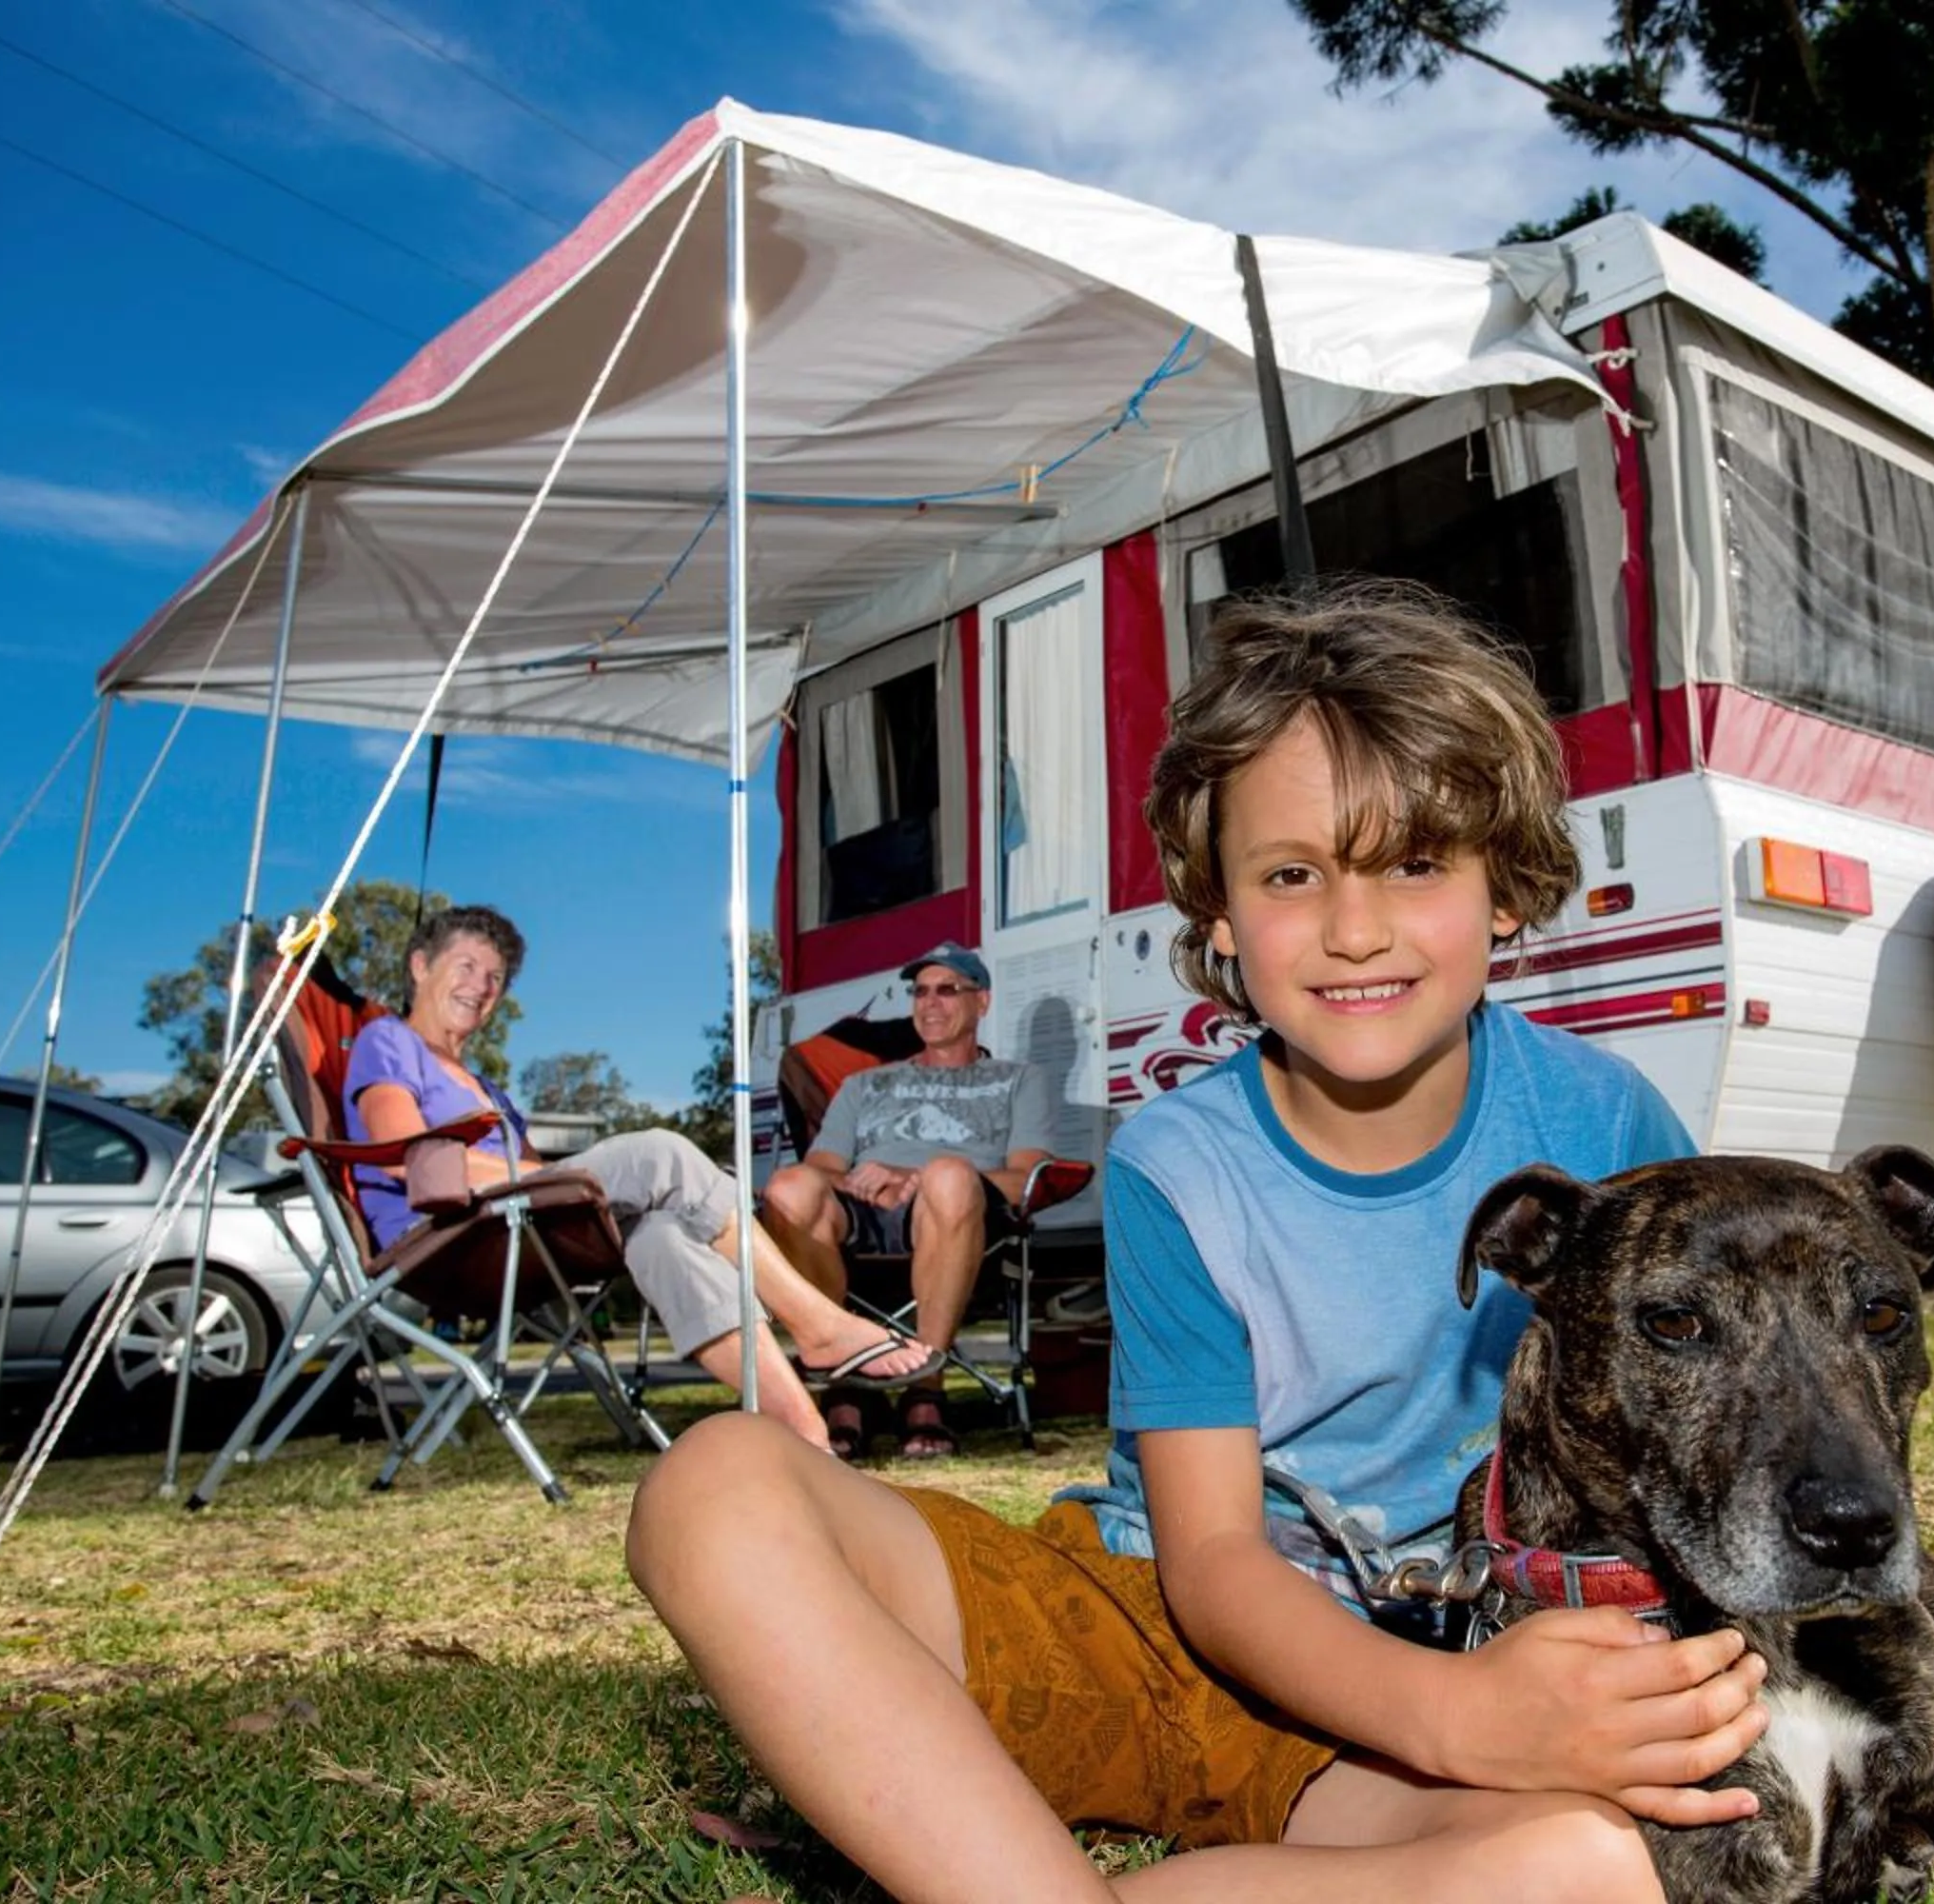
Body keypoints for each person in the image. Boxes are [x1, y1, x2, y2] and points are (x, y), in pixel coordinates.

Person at [626, 584, 1769, 1904]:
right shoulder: (1179, 1160)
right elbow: (1213, 1560)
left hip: (1388, 1715)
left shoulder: (1607, 1125)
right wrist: (1459, 1719)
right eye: (1292, 874)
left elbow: (1720, 1439)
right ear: (1219, 913)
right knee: (713, 1483)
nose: (1354, 929)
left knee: (1597, 1867)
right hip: (1142, 1622)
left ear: (1505, 885)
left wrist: (1491, 1706)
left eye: (1414, 864)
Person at [344, 904, 939, 1457]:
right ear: (419, 966)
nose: (481, 986)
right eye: (466, 966)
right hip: (444, 1239)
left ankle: (802, 1432)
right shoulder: (389, 1040)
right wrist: (556, 1178)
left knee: (660, 1235)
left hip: (510, 1231)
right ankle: (820, 1325)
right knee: (661, 1153)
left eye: (495, 977)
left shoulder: (486, 1089)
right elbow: (403, 1155)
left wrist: (552, 1182)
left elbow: (531, 1179)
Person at [759, 942, 1062, 1458]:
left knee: (948, 1174)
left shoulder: (1017, 1080)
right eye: (920, 992)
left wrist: (915, 1177)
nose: (930, 1003)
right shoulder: (864, 1084)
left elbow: (1028, 1178)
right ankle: (844, 1385)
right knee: (788, 1186)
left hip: (955, 1216)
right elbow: (822, 1167)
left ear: (982, 1002)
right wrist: (863, 1182)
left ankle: (926, 1388)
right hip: (860, 1215)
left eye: (947, 990)